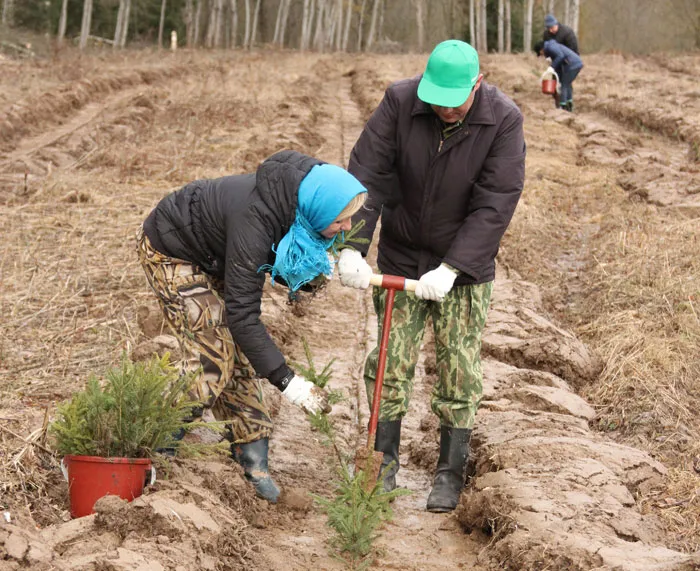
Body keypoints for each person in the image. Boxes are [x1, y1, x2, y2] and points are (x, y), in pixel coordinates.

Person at [337, 40, 525, 513]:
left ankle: (449, 472)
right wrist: (354, 247)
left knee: (458, 368)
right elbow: (367, 176)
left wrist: (454, 266)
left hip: (462, 272)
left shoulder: (502, 120)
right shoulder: (401, 102)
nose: (443, 106)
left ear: (477, 84)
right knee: (388, 365)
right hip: (401, 256)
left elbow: (495, 202)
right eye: (436, 95)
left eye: (454, 98)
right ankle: (382, 463)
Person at [137, 149, 367, 503]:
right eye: (340, 221)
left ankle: (252, 461)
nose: (347, 228)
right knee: (213, 354)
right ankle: (153, 449)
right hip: (174, 250)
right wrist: (287, 381)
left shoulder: (302, 200)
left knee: (240, 356)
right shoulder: (255, 222)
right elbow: (244, 317)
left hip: (218, 255)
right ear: (319, 211)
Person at [536, 38, 584, 112]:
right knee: (567, 84)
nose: (542, 55)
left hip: (573, 64)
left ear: (541, 49)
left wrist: (551, 67)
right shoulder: (551, 48)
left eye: (540, 53)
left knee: (564, 84)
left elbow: (561, 56)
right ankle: (569, 104)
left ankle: (563, 107)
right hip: (575, 64)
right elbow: (559, 64)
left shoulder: (550, 47)